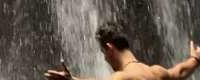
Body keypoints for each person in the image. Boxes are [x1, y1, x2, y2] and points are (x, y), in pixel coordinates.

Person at [45, 23, 200, 80]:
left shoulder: (122, 77)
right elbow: (179, 72)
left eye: (103, 53)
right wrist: (195, 59)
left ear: (109, 48)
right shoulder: (156, 72)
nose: (105, 59)